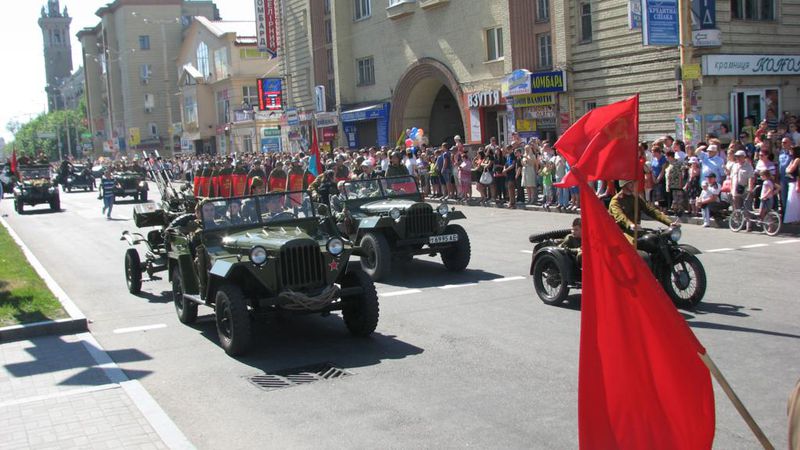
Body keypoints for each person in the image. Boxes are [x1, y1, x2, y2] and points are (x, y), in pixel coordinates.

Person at [609, 180, 679, 244]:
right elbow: (620, 216)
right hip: (622, 232)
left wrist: (670, 222)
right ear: (623, 185)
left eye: (634, 182)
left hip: (636, 230)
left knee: (659, 241)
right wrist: (630, 225)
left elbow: (651, 210)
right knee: (632, 246)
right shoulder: (616, 201)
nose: (633, 185)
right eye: (630, 183)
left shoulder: (636, 198)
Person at [784, 147, 800, 224]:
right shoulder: (792, 160)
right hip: (790, 182)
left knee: (794, 201)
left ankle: (796, 218)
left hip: (795, 182)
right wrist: (788, 169)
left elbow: (790, 170)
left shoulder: (797, 159)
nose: (790, 151)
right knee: (791, 200)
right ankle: (793, 219)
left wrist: (788, 169)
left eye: (791, 150)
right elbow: (786, 169)